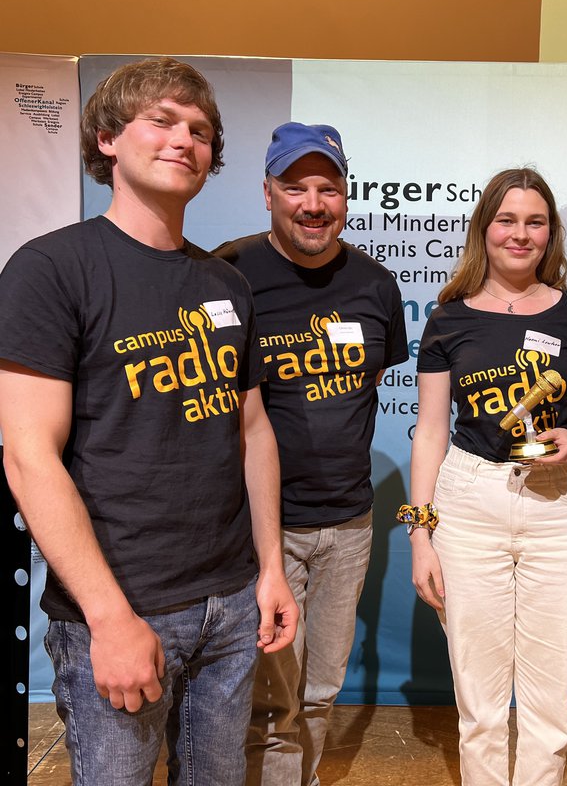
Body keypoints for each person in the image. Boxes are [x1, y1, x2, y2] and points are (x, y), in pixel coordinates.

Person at [0, 57, 298, 786]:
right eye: (161, 121)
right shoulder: (50, 269)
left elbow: (251, 431)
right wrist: (108, 619)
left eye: (199, 130)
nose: (183, 140)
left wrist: (269, 570)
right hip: (122, 606)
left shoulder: (225, 282)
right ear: (106, 138)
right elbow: (29, 455)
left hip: (230, 607)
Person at [215, 121, 409, 786]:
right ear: (267, 191)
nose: (313, 202)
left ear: (346, 196)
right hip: (265, 529)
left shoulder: (377, 285)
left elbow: (367, 387)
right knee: (271, 701)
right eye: (295, 186)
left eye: (327, 187)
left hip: (350, 525)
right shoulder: (229, 273)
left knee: (321, 689)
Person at [407, 167, 567, 786]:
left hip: (559, 506)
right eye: (507, 220)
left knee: (551, 698)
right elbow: (431, 430)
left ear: (551, 234)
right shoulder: (447, 318)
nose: (520, 235)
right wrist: (420, 534)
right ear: (484, 229)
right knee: (479, 697)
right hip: (470, 504)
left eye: (535, 222)